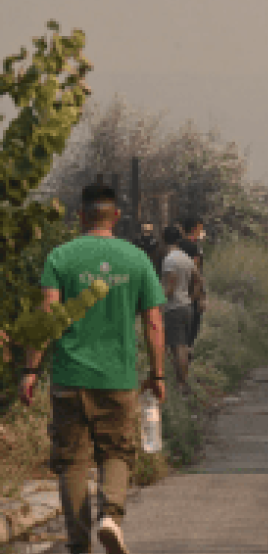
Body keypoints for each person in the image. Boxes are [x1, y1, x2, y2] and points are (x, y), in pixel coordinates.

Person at [20, 183, 167, 554]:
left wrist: (31, 371)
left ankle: (77, 543)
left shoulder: (60, 257)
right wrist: (158, 374)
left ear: (81, 215)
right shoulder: (136, 259)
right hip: (118, 379)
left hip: (70, 379)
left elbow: (47, 316)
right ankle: (110, 517)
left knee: (71, 462)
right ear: (116, 216)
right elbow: (153, 324)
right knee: (117, 452)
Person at [161, 225, 199, 395]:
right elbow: (198, 280)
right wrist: (191, 297)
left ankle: (181, 384)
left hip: (174, 308)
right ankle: (182, 382)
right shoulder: (186, 258)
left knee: (177, 347)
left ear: (164, 240)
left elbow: (170, 285)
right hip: (187, 307)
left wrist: (159, 302)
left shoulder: (170, 260)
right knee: (183, 345)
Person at [177, 216, 207, 358]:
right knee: (191, 332)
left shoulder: (177, 246)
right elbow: (196, 273)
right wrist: (201, 296)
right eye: (201, 228)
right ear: (196, 228)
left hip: (177, 293)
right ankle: (185, 362)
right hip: (192, 294)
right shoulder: (193, 248)